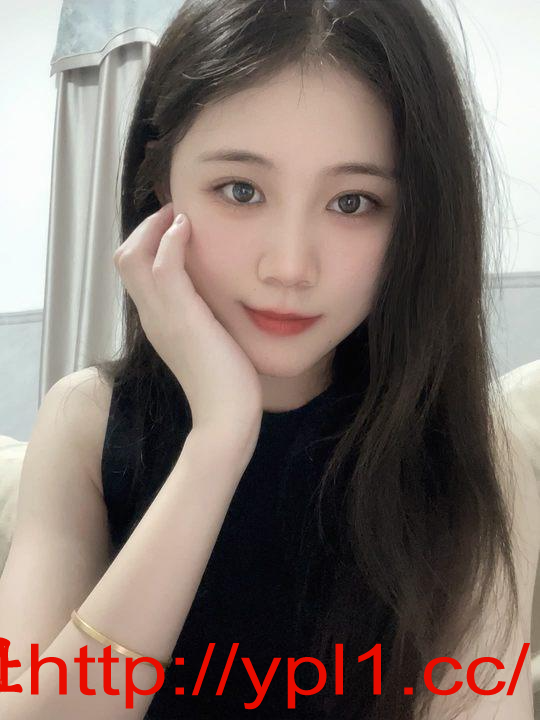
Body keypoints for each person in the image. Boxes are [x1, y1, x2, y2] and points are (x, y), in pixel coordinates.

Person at [0, 0, 538, 718]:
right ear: (161, 188)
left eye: (353, 202)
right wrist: (219, 440)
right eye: (241, 190)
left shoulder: (471, 450)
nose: (289, 267)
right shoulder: (87, 423)